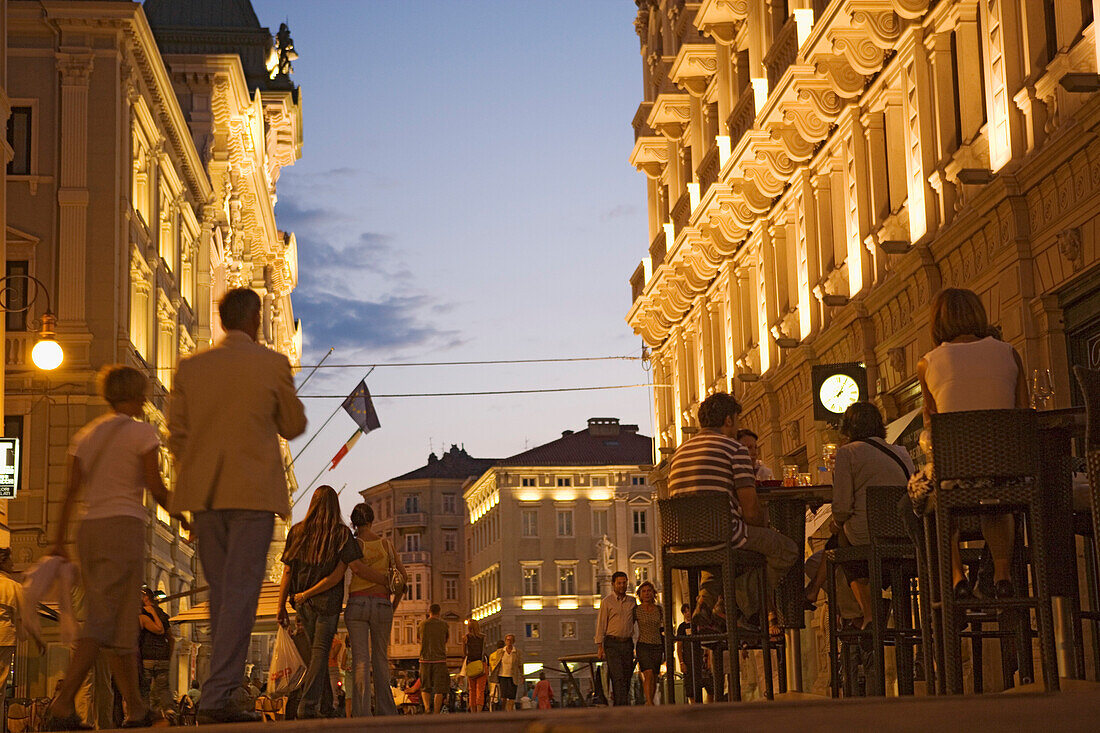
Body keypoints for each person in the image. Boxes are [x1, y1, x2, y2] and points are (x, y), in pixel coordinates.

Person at [168, 287, 307, 724]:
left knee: (221, 594)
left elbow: (176, 434)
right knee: (241, 594)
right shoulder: (271, 364)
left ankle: (219, 689)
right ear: (255, 320)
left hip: (206, 497)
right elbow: (294, 423)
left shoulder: (192, 368)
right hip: (251, 494)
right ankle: (217, 695)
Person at [46, 365, 182, 730]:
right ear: (136, 395)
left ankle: (136, 710)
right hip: (123, 528)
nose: (146, 399)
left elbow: (70, 491)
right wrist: (184, 516)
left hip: (89, 531)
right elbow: (155, 487)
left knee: (119, 623)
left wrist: (59, 540)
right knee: (105, 621)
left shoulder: (87, 435)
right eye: (144, 393)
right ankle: (61, 704)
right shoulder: (141, 433)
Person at [915, 288, 1029, 600]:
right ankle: (1002, 575)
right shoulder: (1009, 353)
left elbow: (932, 424)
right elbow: (1023, 414)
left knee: (922, 500)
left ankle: (954, 578)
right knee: (994, 497)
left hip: (954, 476)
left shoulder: (928, 363)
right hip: (1007, 473)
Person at [668, 392, 798, 634]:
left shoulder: (679, 453)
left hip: (682, 542)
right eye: (737, 420)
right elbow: (750, 511)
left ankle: (708, 602)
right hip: (724, 537)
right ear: (728, 420)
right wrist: (763, 526)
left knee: (719, 547)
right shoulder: (734, 449)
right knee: (786, 549)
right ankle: (733, 604)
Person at [803, 403, 914, 626]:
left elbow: (842, 507)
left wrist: (836, 523)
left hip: (867, 538)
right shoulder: (901, 452)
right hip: (905, 536)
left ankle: (868, 614)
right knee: (842, 541)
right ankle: (816, 592)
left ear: (848, 428)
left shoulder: (848, 453)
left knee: (842, 541)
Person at [276, 485, 362, 719]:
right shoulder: (341, 534)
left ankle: (325, 706)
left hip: (302, 604)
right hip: (326, 603)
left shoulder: (297, 532)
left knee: (318, 654)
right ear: (335, 506)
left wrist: (281, 604)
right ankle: (309, 705)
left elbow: (287, 572)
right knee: (320, 651)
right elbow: (337, 575)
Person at [345, 502, 404, 717]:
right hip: (381, 604)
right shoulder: (386, 545)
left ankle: (361, 715)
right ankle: (386, 712)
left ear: (354, 522)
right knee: (380, 657)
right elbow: (403, 579)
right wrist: (392, 603)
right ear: (372, 521)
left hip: (357, 604)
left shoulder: (353, 544)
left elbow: (352, 569)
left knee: (361, 660)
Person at [594, 571, 635, 706]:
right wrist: (600, 646)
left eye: (624, 583)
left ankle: (621, 703)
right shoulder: (607, 602)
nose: (622, 586)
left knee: (627, 675)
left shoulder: (632, 601)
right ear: (613, 584)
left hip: (627, 643)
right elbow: (601, 624)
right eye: (619, 583)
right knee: (617, 676)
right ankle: (621, 706)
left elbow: (635, 622)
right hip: (612, 643)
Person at [138, 587, 173, 720]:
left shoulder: (143, 614)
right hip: (163, 656)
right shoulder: (163, 615)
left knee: (145, 688)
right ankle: (169, 711)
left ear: (146, 597)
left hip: (147, 656)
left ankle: (145, 715)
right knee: (163, 688)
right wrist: (168, 655)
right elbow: (171, 638)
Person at [0, 549, 26, 717]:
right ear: (2, 562)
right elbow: (24, 616)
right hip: (4, 638)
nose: (13, 563)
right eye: (10, 559)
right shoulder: (13, 586)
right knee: (1, 684)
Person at [633, 581, 663, 705]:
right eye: (643, 591)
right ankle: (649, 701)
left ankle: (650, 701)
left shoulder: (659, 609)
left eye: (649, 591)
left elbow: (663, 627)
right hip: (643, 644)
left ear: (653, 593)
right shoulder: (636, 610)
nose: (646, 594)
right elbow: (630, 627)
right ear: (639, 594)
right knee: (648, 673)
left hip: (657, 644)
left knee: (655, 676)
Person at [675, 603, 710, 703]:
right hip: (688, 659)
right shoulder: (682, 627)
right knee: (690, 685)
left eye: (689, 611)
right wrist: (681, 662)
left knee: (707, 682)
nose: (687, 613)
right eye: (685, 612)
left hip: (700, 657)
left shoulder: (699, 625)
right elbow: (679, 646)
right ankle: (694, 704)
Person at [418, 604, 450, 713]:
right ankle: (436, 712)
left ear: (429, 611)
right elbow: (446, 639)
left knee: (425, 686)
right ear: (439, 612)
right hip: (440, 659)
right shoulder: (444, 625)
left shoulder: (422, 624)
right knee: (439, 688)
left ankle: (427, 708)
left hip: (424, 659)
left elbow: (419, 639)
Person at [284, 617, 311, 721]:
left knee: (303, 695)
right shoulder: (294, 637)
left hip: (305, 670)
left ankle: (301, 717)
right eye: (298, 623)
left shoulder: (308, 637)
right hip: (297, 670)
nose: (300, 626)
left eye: (301, 623)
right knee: (294, 696)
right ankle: (291, 718)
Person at [491, 634, 523, 711]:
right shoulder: (500, 651)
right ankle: (503, 710)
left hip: (513, 676)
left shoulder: (517, 652)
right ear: (505, 641)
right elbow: (496, 663)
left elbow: (520, 665)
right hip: (502, 676)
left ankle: (510, 711)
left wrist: (522, 675)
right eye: (508, 640)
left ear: (513, 641)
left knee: (512, 696)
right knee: (504, 696)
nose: (509, 642)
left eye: (511, 640)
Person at [462, 618, 488, 712]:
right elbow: (484, 651)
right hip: (481, 664)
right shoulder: (483, 637)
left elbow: (465, 652)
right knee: (480, 690)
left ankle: (473, 711)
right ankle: (479, 710)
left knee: (471, 690)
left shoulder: (466, 637)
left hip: (471, 664)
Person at [486, 639, 505, 710]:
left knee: (493, 695)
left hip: (493, 678)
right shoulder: (504, 654)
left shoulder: (492, 655)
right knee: (503, 694)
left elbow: (490, 668)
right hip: (502, 676)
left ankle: (492, 709)